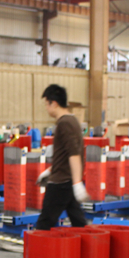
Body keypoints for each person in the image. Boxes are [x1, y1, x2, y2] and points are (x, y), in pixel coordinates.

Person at [35, 84, 89, 230]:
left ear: (54, 103)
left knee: (44, 224)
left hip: (60, 183)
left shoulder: (65, 123)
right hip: (66, 180)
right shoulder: (72, 121)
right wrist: (49, 171)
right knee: (78, 222)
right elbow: (65, 155)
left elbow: (74, 154)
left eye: (46, 104)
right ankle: (89, 244)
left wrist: (77, 183)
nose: (46, 108)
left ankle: (37, 247)